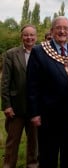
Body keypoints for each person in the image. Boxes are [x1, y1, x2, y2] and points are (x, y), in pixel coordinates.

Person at [27, 16, 68, 168]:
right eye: (58, 27)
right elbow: (32, 85)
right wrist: (34, 113)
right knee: (48, 155)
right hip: (49, 114)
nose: (62, 31)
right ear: (52, 31)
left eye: (66, 28)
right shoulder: (39, 51)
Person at [1, 24, 38, 168]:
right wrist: (7, 105)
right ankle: (8, 165)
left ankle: (33, 165)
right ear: (21, 37)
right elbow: (5, 82)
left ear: (36, 37)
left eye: (32, 35)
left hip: (35, 107)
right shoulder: (11, 54)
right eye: (26, 35)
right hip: (16, 107)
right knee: (12, 142)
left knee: (34, 142)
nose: (29, 38)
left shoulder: (41, 53)